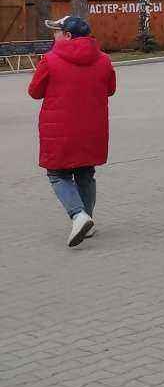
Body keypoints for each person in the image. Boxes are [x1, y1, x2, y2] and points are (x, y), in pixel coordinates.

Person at [28, 16, 116, 248]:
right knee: (85, 173)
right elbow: (110, 89)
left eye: (56, 31)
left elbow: (34, 92)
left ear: (67, 35)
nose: (53, 36)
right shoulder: (105, 60)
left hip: (60, 130)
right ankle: (86, 221)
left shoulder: (50, 60)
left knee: (58, 175)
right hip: (92, 128)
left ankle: (78, 215)